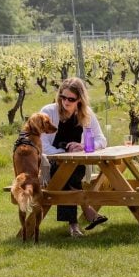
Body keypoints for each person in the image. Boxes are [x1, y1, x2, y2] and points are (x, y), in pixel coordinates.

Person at [40, 77, 108, 237]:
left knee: (71, 172)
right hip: (50, 165)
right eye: (63, 97)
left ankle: (76, 223)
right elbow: (42, 144)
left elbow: (101, 140)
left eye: (71, 99)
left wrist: (84, 147)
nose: (66, 102)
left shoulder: (86, 114)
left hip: (77, 166)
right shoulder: (48, 112)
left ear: (79, 100)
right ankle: (81, 217)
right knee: (66, 172)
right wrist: (65, 153)